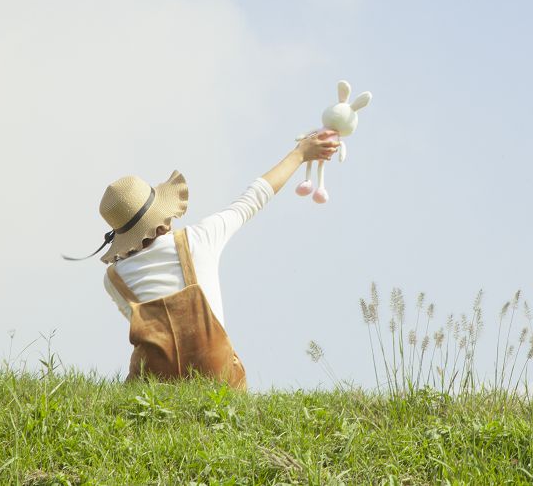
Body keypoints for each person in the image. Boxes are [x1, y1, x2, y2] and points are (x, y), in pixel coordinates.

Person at [63, 130, 340, 389]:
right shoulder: (200, 239)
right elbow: (254, 197)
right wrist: (300, 153)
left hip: (155, 384)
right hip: (217, 377)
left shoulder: (113, 279)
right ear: (163, 215)